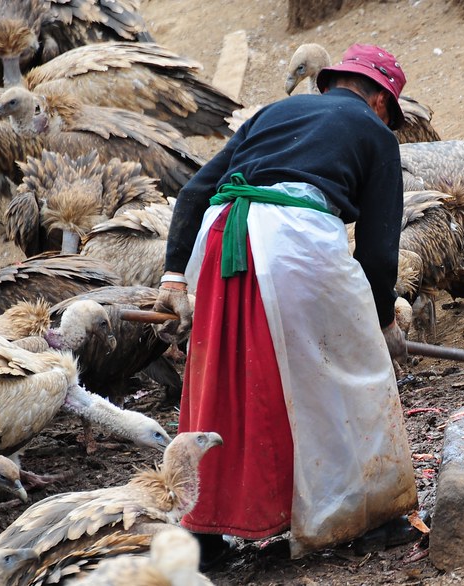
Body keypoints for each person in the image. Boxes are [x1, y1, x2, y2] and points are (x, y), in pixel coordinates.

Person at [154, 43, 419, 563]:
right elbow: (379, 249)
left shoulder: (272, 113)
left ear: (332, 82)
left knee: (222, 378)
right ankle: (365, 518)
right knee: (348, 373)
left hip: (222, 236)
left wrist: (174, 278)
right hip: (295, 241)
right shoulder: (376, 134)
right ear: (382, 102)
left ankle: (203, 533)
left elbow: (193, 193)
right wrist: (381, 323)